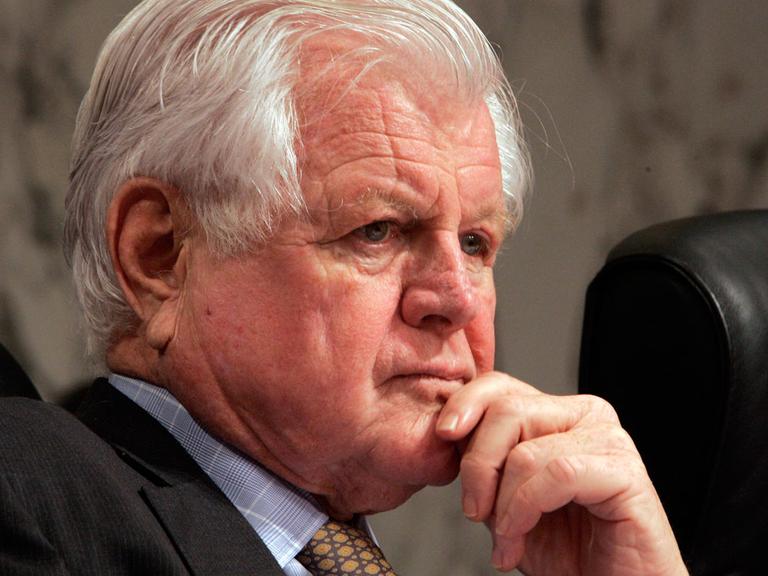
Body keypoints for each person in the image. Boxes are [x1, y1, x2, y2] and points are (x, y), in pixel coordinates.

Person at [0, 0, 687, 574]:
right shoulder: (25, 488)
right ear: (160, 256)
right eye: (379, 230)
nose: (459, 299)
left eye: (476, 243)